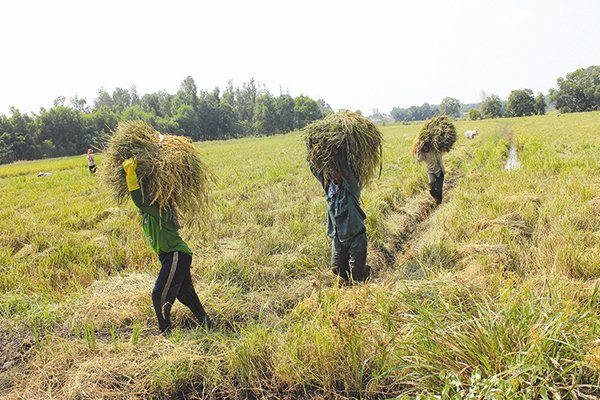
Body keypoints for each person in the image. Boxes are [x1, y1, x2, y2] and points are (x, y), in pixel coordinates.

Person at [121, 157, 211, 334]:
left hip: (176, 255)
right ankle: (207, 323)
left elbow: (139, 200)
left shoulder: (162, 208)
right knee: (185, 293)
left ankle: (165, 331)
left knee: (159, 294)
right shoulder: (148, 211)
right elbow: (140, 202)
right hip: (170, 256)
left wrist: (131, 174)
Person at [311, 153, 371, 284]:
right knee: (337, 269)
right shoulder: (329, 187)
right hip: (338, 237)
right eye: (331, 172)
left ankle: (366, 272)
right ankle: (353, 278)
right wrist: (313, 154)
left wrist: (338, 152)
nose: (334, 174)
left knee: (357, 275)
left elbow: (347, 170)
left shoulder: (352, 188)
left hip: (356, 236)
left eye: (336, 171)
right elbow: (315, 169)